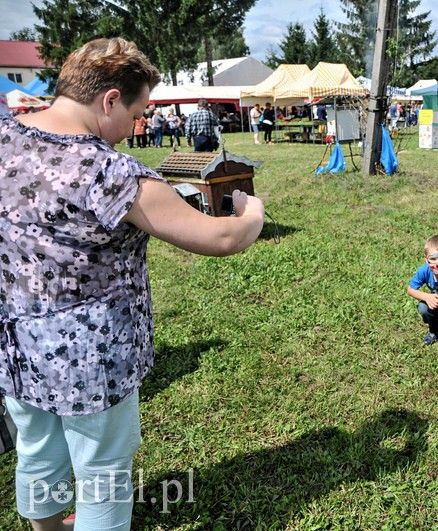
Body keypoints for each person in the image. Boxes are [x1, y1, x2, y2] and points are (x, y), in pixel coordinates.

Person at [0, 37, 265, 531]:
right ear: (109, 100)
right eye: (138, 111)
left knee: (35, 449)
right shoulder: (110, 171)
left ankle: (50, 528)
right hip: (92, 359)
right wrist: (252, 213)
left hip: (16, 348)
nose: (136, 126)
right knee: (102, 474)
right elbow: (223, 237)